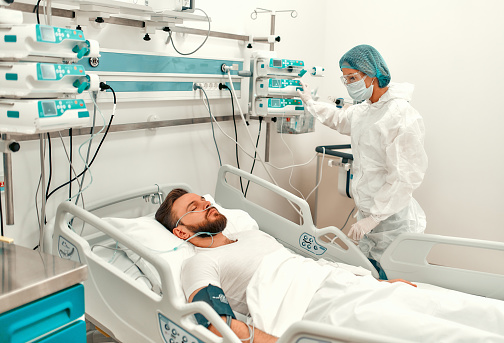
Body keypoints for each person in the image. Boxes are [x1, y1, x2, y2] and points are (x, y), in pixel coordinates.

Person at [155, 189, 504, 343]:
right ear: (182, 230)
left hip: (341, 285)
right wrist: (277, 340)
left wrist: (378, 284)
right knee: (431, 333)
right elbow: (214, 321)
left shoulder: (248, 236)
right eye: (194, 207)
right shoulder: (200, 264)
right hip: (313, 307)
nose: (206, 203)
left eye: (204, 199)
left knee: (452, 307)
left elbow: (300, 265)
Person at [298, 44, 428, 279]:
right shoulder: (365, 110)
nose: (348, 84)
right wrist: (310, 102)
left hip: (393, 220)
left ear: (373, 75)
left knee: (393, 280)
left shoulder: (401, 115)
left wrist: (375, 218)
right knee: (370, 278)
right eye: (345, 78)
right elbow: (339, 118)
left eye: (353, 77)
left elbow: (405, 176)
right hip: (367, 214)